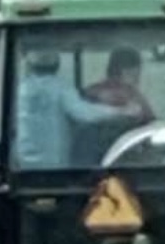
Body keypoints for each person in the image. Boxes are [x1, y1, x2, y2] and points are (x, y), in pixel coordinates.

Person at [13, 47, 142, 169]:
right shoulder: (60, 88)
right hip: (54, 168)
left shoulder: (19, 90)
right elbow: (84, 114)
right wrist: (122, 111)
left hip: (21, 165)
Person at [85, 45, 157, 122]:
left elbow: (153, 121)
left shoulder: (135, 95)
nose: (137, 79)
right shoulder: (93, 92)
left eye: (138, 75)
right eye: (131, 74)